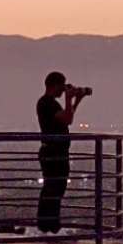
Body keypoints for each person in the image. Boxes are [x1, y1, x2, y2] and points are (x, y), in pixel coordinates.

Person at [35, 69, 91, 234]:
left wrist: (77, 100)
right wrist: (69, 98)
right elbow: (67, 119)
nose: (63, 90)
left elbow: (68, 118)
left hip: (57, 152)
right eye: (62, 86)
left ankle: (50, 224)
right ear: (55, 85)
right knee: (52, 187)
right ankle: (47, 224)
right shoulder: (46, 103)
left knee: (57, 188)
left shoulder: (51, 102)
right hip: (52, 152)